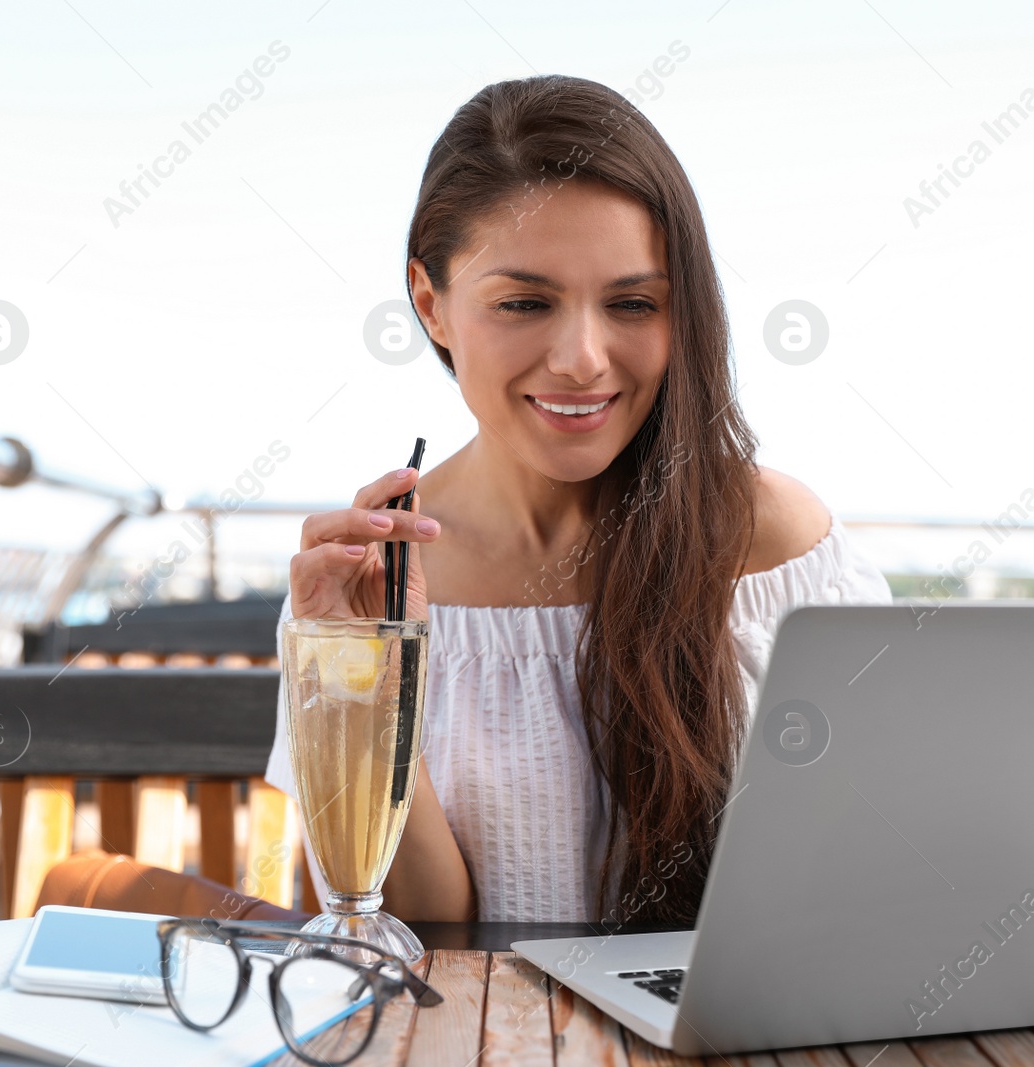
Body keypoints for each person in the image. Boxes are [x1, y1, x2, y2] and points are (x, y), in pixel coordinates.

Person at [264, 74, 891, 926]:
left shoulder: (772, 541)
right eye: (524, 302)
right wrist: (371, 685)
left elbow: (873, 875)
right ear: (430, 305)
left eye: (633, 303)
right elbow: (429, 931)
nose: (584, 358)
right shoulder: (362, 583)